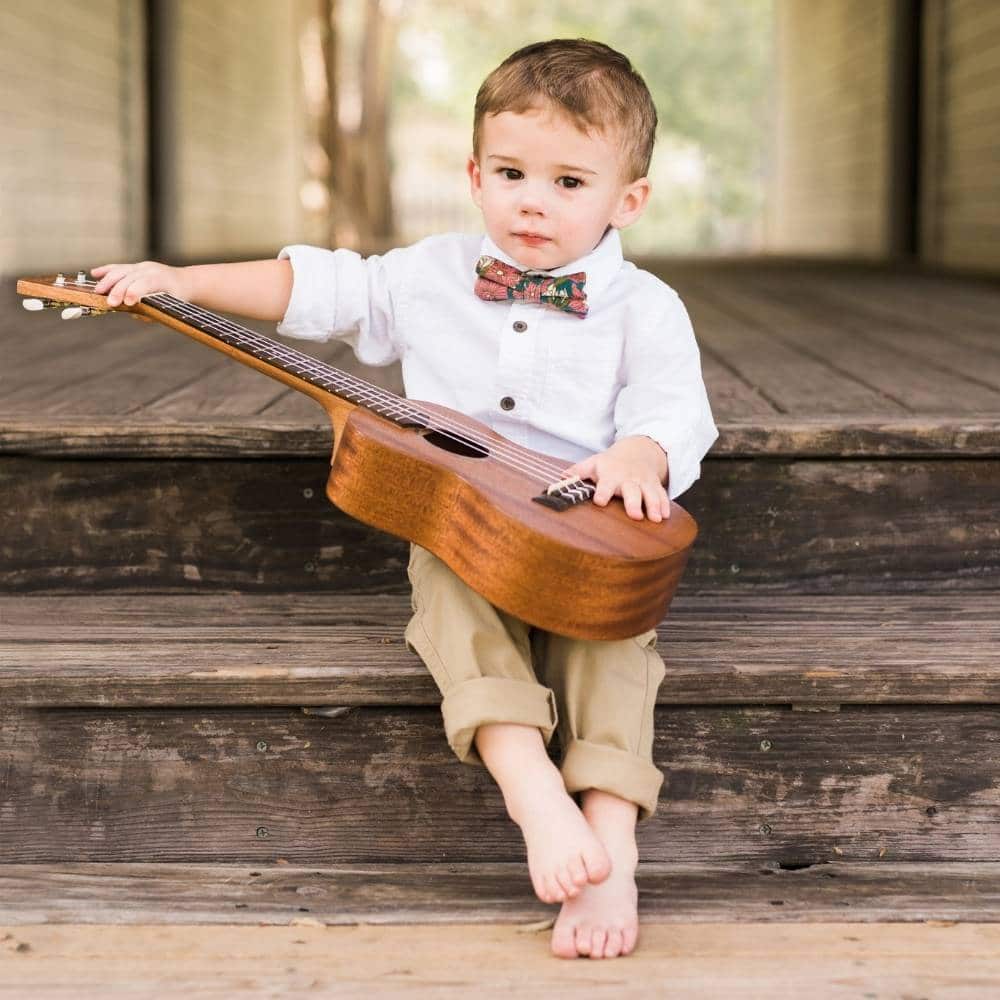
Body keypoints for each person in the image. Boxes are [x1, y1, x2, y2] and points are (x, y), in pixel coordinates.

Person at [91, 37, 719, 960]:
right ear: (474, 175)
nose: (532, 200)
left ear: (628, 200)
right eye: (511, 173)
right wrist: (179, 282)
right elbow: (317, 285)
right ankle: (531, 790)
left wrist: (641, 451)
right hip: (466, 526)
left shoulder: (646, 307)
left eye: (568, 183)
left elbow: (674, 406)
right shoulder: (428, 275)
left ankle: (611, 839)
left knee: (614, 649)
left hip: (588, 539)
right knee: (453, 604)